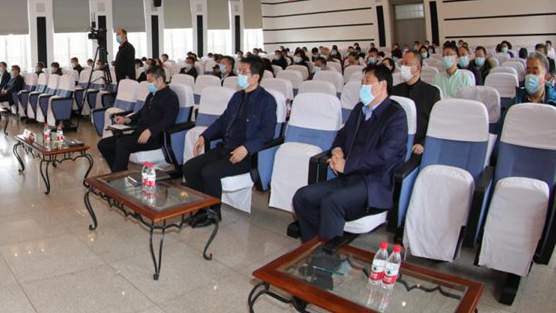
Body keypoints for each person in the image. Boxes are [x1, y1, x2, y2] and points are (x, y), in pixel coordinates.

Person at [292, 65, 408, 242]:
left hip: (374, 184)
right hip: (348, 178)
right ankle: (314, 248)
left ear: (383, 85)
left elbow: (384, 155)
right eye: (362, 82)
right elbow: (343, 135)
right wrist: (337, 150)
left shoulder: (396, 115)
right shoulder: (360, 109)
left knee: (332, 202)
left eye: (368, 81)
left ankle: (323, 257)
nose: (363, 86)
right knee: (303, 197)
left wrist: (347, 166)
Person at [183, 56, 277, 224]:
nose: (240, 75)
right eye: (240, 71)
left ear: (255, 77)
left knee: (210, 172)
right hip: (225, 148)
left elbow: (268, 132)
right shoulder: (237, 97)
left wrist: (247, 148)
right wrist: (204, 136)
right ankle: (202, 207)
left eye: (244, 72)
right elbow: (222, 121)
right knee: (190, 167)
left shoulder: (267, 101)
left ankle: (213, 213)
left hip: (245, 154)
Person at [97, 66, 179, 172]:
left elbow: (169, 120)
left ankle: (118, 175)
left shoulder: (170, 97)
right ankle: (118, 173)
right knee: (103, 144)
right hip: (139, 133)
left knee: (122, 143)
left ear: (160, 80)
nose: (148, 84)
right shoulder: (152, 95)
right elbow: (141, 112)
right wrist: (127, 119)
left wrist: (150, 131)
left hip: (154, 137)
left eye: (150, 81)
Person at [391, 51, 439, 155]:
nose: (403, 67)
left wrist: (423, 143)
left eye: (407, 64)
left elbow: (435, 124)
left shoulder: (432, 93)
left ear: (418, 68)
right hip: (395, 144)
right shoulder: (394, 91)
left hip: (417, 147)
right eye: (402, 64)